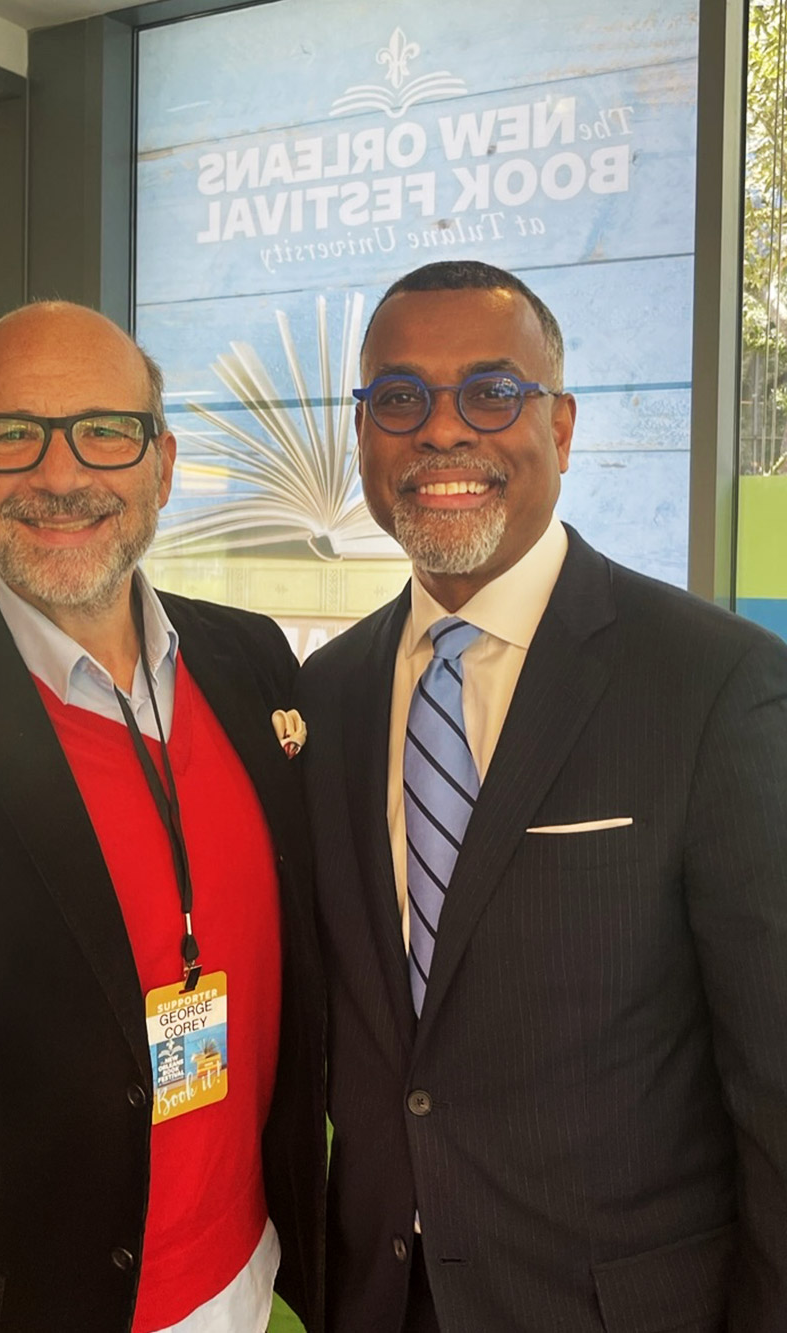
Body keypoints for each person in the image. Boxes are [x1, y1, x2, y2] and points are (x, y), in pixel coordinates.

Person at [0, 302, 325, 1333]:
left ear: (162, 463)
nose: (59, 473)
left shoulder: (252, 663)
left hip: (245, 1272)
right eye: (12, 435)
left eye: (104, 431)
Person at [295, 259, 787, 1332]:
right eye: (398, 397)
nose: (440, 429)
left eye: (491, 392)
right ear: (363, 434)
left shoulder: (712, 684)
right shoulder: (325, 698)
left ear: (559, 428)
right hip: (376, 1297)